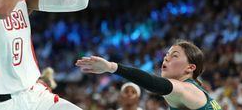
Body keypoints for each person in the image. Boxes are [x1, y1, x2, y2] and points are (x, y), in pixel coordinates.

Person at [76, 40, 223, 110]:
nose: (166, 58)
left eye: (175, 56)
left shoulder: (187, 89)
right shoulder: (190, 93)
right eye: (166, 55)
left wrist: (111, 67)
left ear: (190, 67)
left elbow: (152, 83)